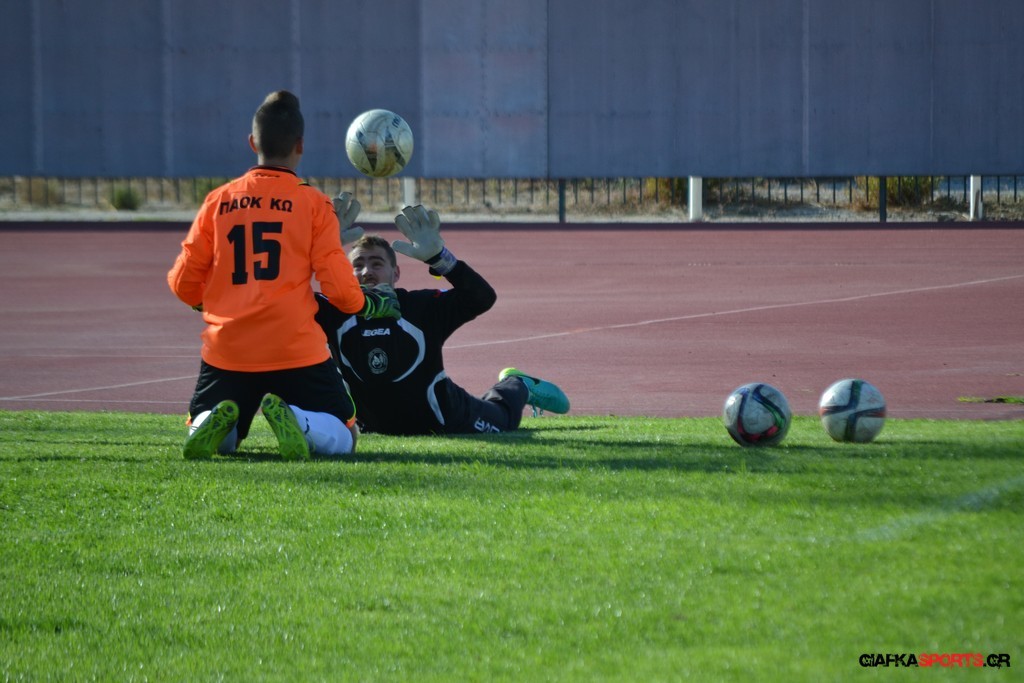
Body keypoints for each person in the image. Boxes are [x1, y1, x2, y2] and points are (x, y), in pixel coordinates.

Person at [167, 90, 400, 460]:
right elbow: (340, 291)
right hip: (294, 347)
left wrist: (208, 303)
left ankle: (210, 421)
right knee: (346, 435)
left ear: (252, 142)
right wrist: (369, 304)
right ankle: (299, 421)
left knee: (222, 437)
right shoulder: (313, 203)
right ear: (300, 145)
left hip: (229, 346)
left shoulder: (218, 200)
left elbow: (183, 283)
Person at [314, 197, 569, 436]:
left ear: (396, 273)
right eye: (357, 265)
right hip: (372, 425)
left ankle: (518, 383)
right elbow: (290, 298)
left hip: (448, 418)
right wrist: (320, 248)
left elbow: (482, 298)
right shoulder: (334, 311)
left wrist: (440, 259)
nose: (366, 271)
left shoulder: (421, 306)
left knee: (505, 420)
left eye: (377, 263)